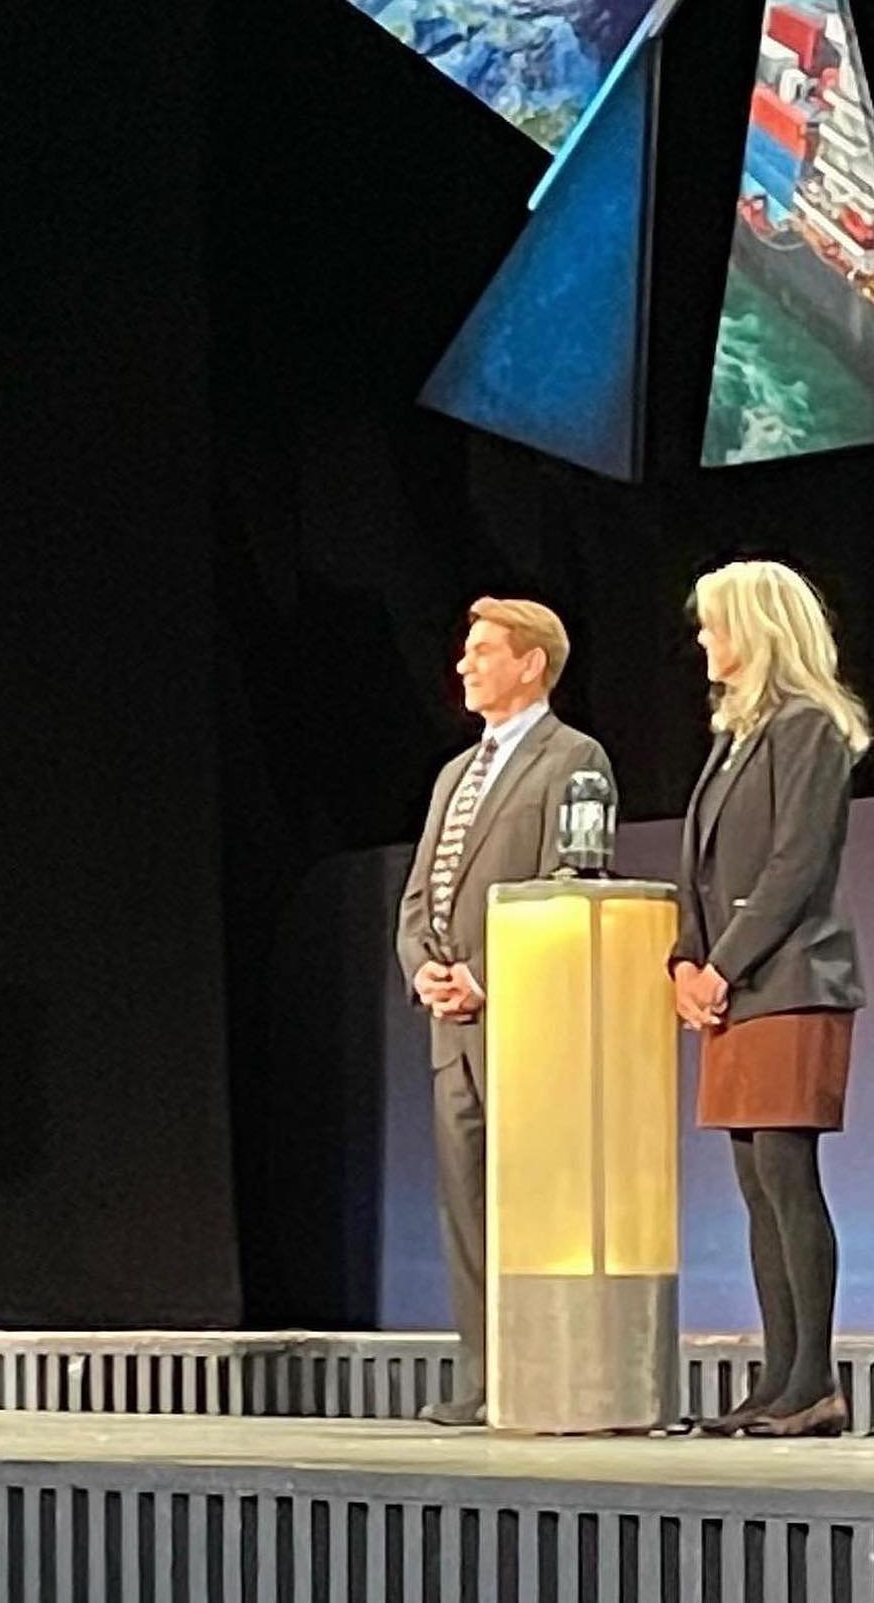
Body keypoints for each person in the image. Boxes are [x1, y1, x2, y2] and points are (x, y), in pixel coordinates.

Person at [396, 597, 613, 1426]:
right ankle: (484, 1380)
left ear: (531, 663)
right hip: (452, 1029)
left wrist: (485, 975)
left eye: (484, 650)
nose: (465, 663)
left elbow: (572, 881)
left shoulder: (573, 757)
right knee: (467, 1207)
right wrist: (424, 970)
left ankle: (541, 1376)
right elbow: (420, 894)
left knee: (535, 1206)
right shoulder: (455, 772)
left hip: (525, 1023)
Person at [673, 561, 865, 1439]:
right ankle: (779, 1380)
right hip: (737, 988)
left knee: (788, 1174)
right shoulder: (734, 737)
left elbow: (796, 864)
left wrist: (723, 965)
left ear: (756, 627)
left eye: (715, 623)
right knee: (755, 1183)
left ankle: (815, 1382)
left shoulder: (807, 726)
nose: (704, 638)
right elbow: (704, 871)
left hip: (791, 980)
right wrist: (685, 959)